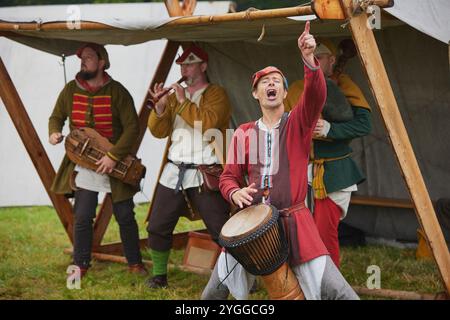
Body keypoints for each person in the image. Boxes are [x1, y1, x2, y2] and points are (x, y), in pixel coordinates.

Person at [201, 22, 359, 300]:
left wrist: (309, 58)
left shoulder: (298, 124)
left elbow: (315, 95)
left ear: (285, 93)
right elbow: (227, 178)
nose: (271, 84)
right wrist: (235, 192)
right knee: (212, 293)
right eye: (264, 82)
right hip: (251, 226)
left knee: (339, 292)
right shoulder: (243, 133)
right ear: (255, 94)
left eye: (277, 81)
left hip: (295, 223)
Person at [49, 43, 147, 278]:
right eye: (82, 58)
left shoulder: (118, 91)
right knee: (82, 216)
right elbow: (57, 116)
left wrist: (113, 157)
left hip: (118, 165)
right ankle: (80, 265)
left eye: (89, 57)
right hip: (85, 166)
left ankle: (135, 263)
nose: (83, 61)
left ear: (102, 62)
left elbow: (132, 128)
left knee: (125, 216)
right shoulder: (70, 90)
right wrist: (54, 131)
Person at [146, 45, 232, 288]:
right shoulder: (174, 97)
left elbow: (209, 123)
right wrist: (161, 108)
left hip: (207, 171)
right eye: (182, 65)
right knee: (157, 226)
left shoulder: (217, 94)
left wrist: (182, 103)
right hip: (174, 170)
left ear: (203, 66)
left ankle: (240, 275)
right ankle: (159, 276)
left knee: (221, 230)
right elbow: (158, 131)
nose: (184, 69)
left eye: (190, 64)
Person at [284, 39, 372, 268]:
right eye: (310, 56)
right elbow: (282, 126)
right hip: (302, 169)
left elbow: (364, 125)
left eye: (319, 57)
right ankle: (305, 277)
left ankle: (329, 284)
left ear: (332, 60)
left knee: (325, 231)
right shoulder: (295, 88)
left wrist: (332, 129)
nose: (314, 60)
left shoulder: (345, 86)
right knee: (300, 227)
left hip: (334, 170)